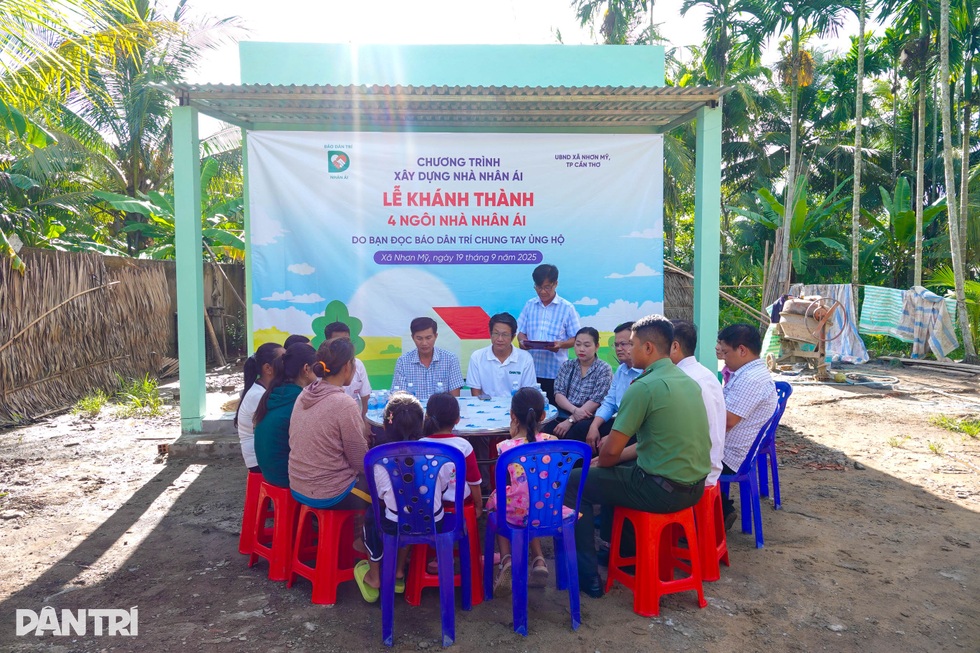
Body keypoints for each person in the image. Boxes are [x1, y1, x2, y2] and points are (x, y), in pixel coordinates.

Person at [564, 315, 711, 598]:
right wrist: (608, 460)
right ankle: (621, 552)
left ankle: (587, 576)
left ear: (647, 348)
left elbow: (610, 452)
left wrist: (602, 461)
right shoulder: (688, 381)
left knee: (574, 482)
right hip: (694, 489)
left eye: (631, 344)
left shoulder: (642, 387)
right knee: (607, 474)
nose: (626, 350)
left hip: (661, 491)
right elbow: (653, 443)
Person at [287, 338, 380, 599]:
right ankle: (376, 568)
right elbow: (359, 462)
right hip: (330, 491)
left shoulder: (306, 393)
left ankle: (359, 543)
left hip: (299, 484)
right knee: (385, 497)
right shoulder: (344, 404)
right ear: (348, 367)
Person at [486, 388, 573, 594]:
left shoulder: (506, 447)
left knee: (498, 501)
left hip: (520, 513)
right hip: (551, 511)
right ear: (543, 416)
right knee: (535, 498)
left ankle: (506, 559)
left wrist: (513, 435)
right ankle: (539, 560)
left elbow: (508, 483)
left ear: (512, 416)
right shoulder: (554, 442)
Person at [356, 392, 424, 600]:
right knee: (408, 514)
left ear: (384, 427)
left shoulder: (378, 459)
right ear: (422, 425)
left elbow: (379, 497)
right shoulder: (432, 453)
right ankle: (399, 570)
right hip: (424, 521)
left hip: (391, 524)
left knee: (372, 518)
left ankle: (375, 576)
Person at [716, 323, 777, 529]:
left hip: (729, 455)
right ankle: (718, 509)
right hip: (728, 448)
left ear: (742, 350)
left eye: (725, 352)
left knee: (671, 458)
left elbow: (727, 421)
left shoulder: (751, 379)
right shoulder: (746, 373)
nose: (723, 357)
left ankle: (719, 512)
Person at [668, 320, 726, 488]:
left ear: (674, 347)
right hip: (710, 466)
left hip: (693, 474)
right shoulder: (704, 373)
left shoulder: (681, 380)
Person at [252, 343, 318, 488]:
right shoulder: (299, 401)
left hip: (271, 474)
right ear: (306, 369)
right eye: (317, 368)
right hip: (286, 479)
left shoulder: (277, 393)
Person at [516, 264, 581, 405]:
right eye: (538, 287)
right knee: (530, 413)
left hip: (555, 374)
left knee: (554, 414)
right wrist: (523, 341)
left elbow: (577, 338)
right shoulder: (529, 305)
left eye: (547, 287)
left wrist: (561, 344)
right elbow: (521, 332)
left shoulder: (567, 308)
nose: (542, 292)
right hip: (530, 372)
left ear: (555, 284)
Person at [581, 322, 644, 450]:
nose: (619, 348)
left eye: (624, 344)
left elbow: (637, 419)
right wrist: (594, 426)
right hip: (619, 422)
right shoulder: (621, 370)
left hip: (637, 431)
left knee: (603, 445)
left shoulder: (646, 372)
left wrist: (612, 437)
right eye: (616, 345)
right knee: (581, 430)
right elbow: (610, 402)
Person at [420, 393, 483, 518]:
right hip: (460, 502)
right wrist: (479, 505)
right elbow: (474, 482)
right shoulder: (463, 446)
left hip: (428, 504)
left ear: (426, 416)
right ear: (457, 419)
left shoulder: (419, 446)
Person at [542, 327, 612, 438]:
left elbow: (596, 400)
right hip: (565, 411)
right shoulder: (567, 365)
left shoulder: (604, 369)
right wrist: (574, 411)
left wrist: (571, 420)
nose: (581, 349)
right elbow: (559, 394)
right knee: (547, 430)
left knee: (576, 432)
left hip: (589, 417)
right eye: (578, 344)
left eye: (587, 345)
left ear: (597, 346)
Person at [391, 317, 464, 402]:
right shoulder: (403, 362)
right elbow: (399, 397)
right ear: (412, 337)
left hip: (443, 412)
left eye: (428, 338)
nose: (424, 343)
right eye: (419, 338)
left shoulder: (450, 359)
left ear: (436, 336)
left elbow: (454, 399)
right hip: (413, 412)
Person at [235, 342, 283, 472]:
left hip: (264, 455)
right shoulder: (257, 395)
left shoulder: (265, 389)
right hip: (259, 461)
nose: (288, 364)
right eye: (283, 360)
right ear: (268, 368)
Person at [466, 312, 536, 398]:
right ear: (490, 333)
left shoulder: (525, 358)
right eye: (496, 333)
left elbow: (528, 394)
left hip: (515, 408)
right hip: (485, 407)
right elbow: (476, 393)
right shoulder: (477, 357)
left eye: (505, 335)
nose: (500, 339)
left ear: (513, 337)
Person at [322, 322, 371, 417]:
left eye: (347, 341)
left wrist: (365, 421)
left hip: (354, 417)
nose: (344, 345)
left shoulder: (357, 364)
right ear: (328, 342)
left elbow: (366, 396)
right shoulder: (320, 367)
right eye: (338, 341)